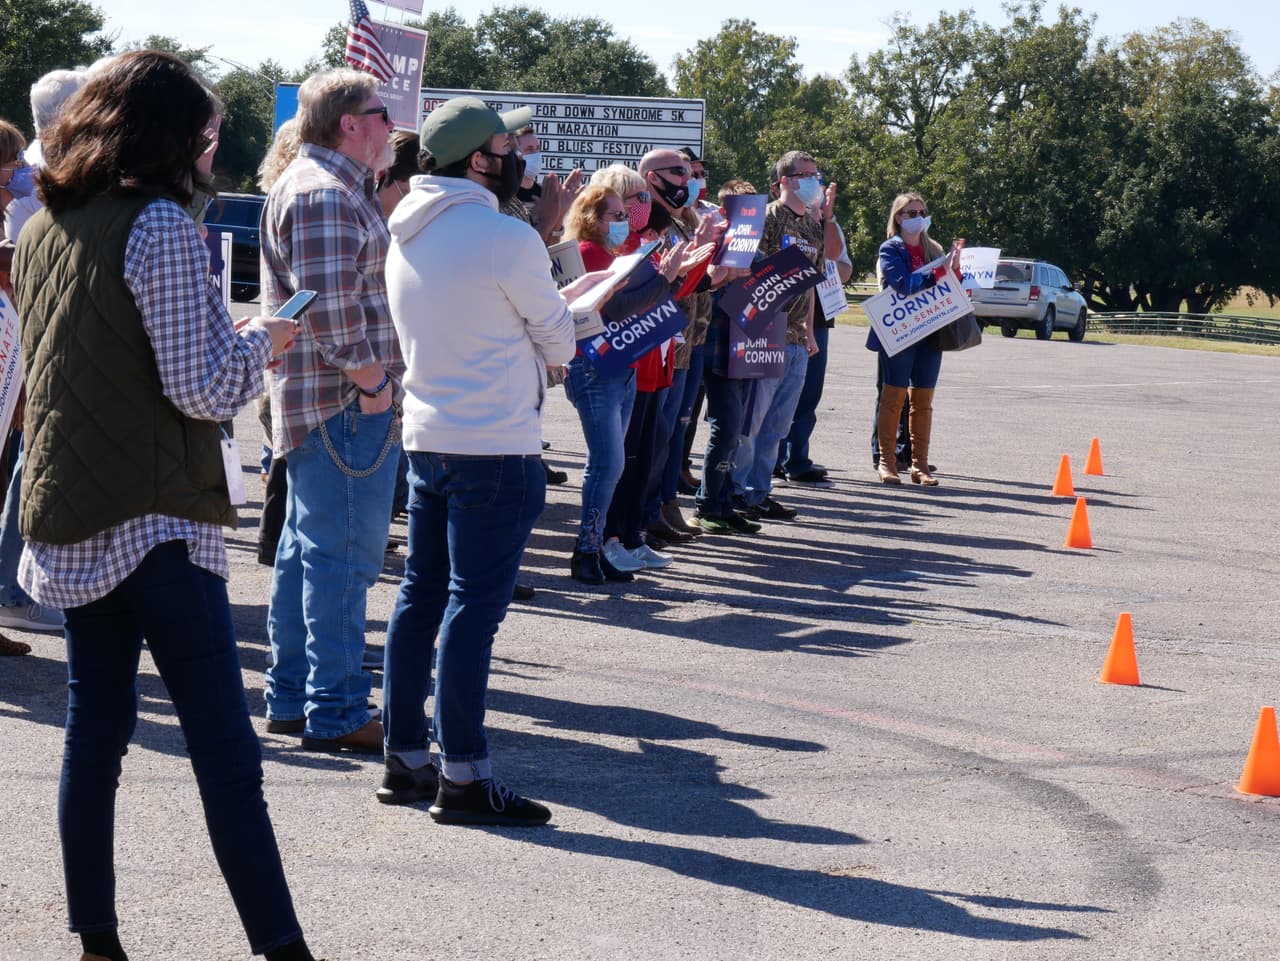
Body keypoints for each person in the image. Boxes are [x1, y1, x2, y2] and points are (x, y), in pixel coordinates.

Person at [12, 50, 320, 961]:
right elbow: (203, 386)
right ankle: (282, 948)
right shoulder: (161, 226)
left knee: (92, 733)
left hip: (71, 503)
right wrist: (266, 339)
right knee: (226, 755)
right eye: (207, 133)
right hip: (152, 516)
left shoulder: (44, 227)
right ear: (172, 136)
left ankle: (96, 940)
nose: (212, 148)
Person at [379, 96, 609, 824]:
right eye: (510, 148)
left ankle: (406, 755)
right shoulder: (501, 236)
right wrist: (560, 324)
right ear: (479, 159)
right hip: (496, 442)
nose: (520, 159)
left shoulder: (406, 229)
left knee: (421, 597)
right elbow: (559, 339)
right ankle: (465, 776)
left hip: (429, 434)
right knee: (472, 611)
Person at [260, 68, 403, 753]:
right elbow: (330, 307)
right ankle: (339, 709)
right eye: (381, 114)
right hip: (343, 400)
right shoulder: (322, 193)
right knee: (341, 559)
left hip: (330, 397)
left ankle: (294, 698)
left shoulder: (331, 187)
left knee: (307, 553)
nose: (390, 127)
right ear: (349, 123)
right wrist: (373, 379)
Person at [562, 182, 689, 584]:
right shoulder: (588, 253)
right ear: (591, 218)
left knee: (608, 466)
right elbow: (615, 308)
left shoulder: (617, 253)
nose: (623, 222)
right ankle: (586, 551)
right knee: (608, 464)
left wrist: (668, 277)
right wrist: (665, 277)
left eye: (623, 215)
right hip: (595, 370)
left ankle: (598, 546)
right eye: (615, 216)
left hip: (623, 367)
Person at [732, 150, 840, 520]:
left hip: (795, 337)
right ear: (785, 181)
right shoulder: (767, 218)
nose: (814, 180)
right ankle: (734, 491)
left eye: (816, 173)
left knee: (778, 423)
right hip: (765, 332)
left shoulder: (812, 226)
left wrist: (810, 331)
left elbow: (811, 284)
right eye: (806, 174)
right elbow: (747, 273)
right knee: (752, 420)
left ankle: (759, 491)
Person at [870, 191, 962, 485]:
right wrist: (937, 274)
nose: (919, 217)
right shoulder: (890, 248)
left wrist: (954, 269)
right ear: (898, 218)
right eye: (912, 213)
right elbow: (902, 284)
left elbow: (949, 287)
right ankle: (887, 462)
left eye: (922, 212)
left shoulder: (933, 249)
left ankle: (919, 465)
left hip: (930, 332)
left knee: (923, 399)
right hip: (899, 332)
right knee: (893, 397)